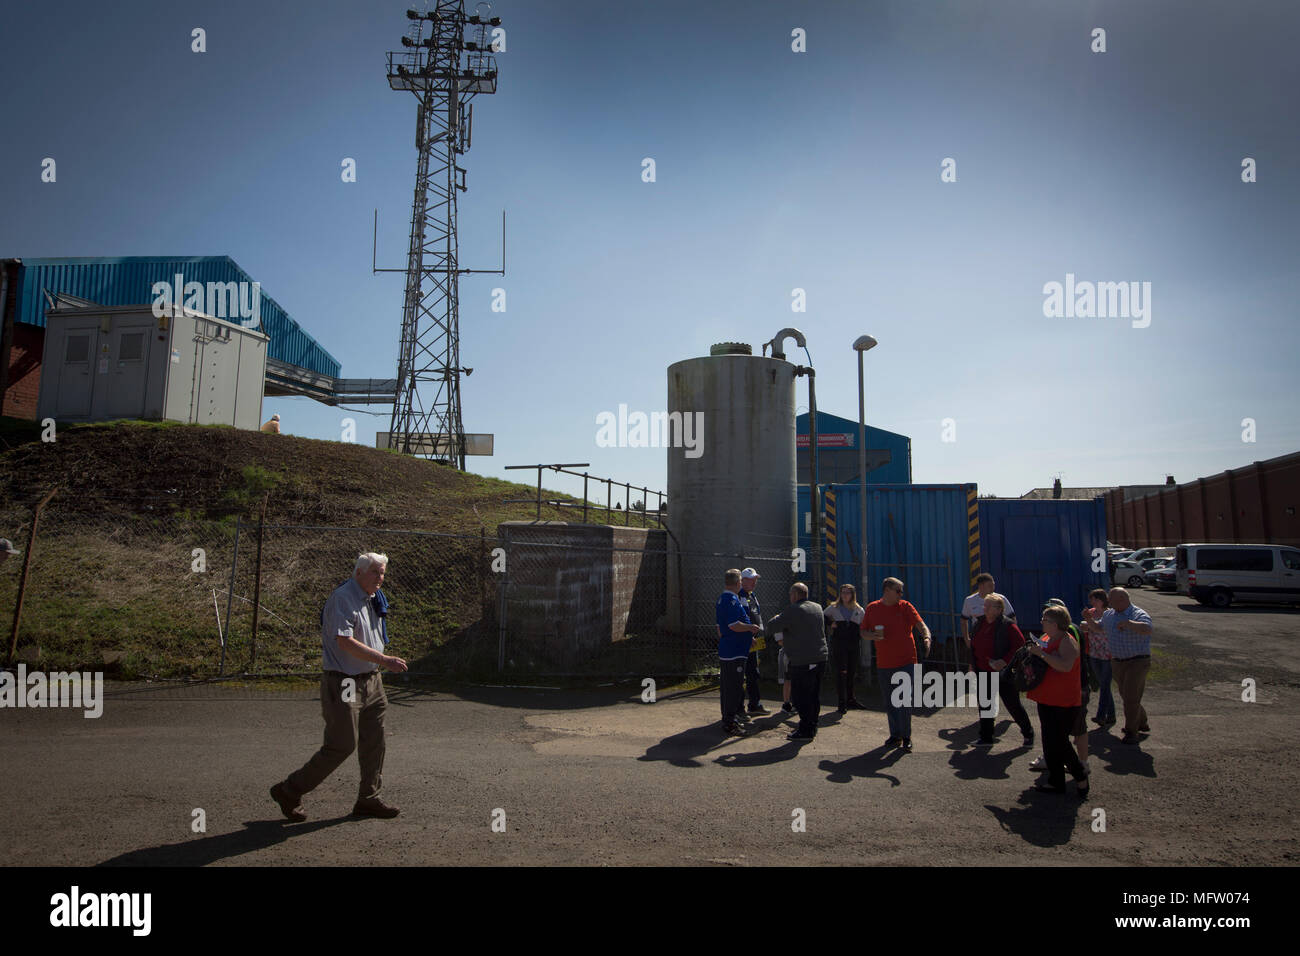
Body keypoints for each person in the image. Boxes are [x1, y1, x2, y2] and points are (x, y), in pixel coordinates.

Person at [270, 553, 408, 821]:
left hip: (372, 680)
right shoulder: (343, 598)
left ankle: (369, 798)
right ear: (358, 572)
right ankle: (289, 790)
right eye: (375, 573)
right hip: (345, 681)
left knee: (374, 742)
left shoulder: (373, 599)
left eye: (382, 573)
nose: (380, 579)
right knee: (341, 745)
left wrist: (378, 665)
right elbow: (344, 641)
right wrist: (384, 659)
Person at [862, 577, 931, 753]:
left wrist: (926, 636)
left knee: (904, 701)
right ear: (887, 591)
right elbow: (863, 631)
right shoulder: (873, 608)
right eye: (898, 591)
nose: (901, 594)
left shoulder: (905, 606)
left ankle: (906, 736)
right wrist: (872, 636)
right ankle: (895, 735)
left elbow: (920, 624)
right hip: (885, 662)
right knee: (890, 701)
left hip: (906, 661)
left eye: (901, 591)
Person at [1026, 605, 1090, 797]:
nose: (1041, 623)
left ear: (1055, 623)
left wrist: (1042, 654)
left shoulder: (1066, 641)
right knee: (1049, 741)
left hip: (1063, 700)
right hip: (1046, 697)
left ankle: (1080, 777)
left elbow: (1065, 665)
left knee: (1060, 742)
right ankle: (1056, 781)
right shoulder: (1047, 638)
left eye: (1045, 620)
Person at [762, 582, 828, 741]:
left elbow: (771, 626)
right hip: (820, 657)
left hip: (802, 659)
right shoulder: (817, 607)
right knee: (813, 694)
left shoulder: (793, 610)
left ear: (795, 595)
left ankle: (805, 729)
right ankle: (812, 724)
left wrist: (777, 617)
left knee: (800, 695)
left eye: (791, 594)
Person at [968, 594, 1034, 747]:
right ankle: (986, 737)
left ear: (998, 609)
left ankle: (1028, 733)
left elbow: (1020, 646)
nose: (984, 608)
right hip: (983, 670)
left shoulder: (1007, 625)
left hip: (1003, 673)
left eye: (987, 606)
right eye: (984, 605)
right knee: (985, 705)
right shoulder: (980, 622)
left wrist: (1004, 661)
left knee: (1012, 704)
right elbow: (974, 645)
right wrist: (972, 663)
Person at [1100, 587, 1154, 745]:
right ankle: (1141, 721)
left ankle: (1131, 732)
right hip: (1117, 661)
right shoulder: (1108, 614)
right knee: (1128, 695)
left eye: (1112, 600)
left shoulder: (1137, 614)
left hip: (1137, 661)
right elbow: (1098, 627)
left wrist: (1130, 624)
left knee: (1130, 697)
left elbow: (1147, 629)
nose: (1109, 603)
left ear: (1123, 600)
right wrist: (1088, 621)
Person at [715, 568, 762, 737]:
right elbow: (733, 624)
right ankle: (730, 722)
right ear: (737, 583)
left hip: (731, 649)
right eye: (741, 581)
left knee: (729, 687)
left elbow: (720, 628)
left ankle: (729, 718)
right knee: (733, 688)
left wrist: (748, 638)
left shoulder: (723, 599)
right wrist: (751, 628)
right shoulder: (732, 600)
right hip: (734, 652)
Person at [824, 584, 866, 713]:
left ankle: (851, 699)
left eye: (848, 593)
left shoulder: (859, 609)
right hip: (839, 644)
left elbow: (864, 625)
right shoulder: (834, 607)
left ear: (853, 595)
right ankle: (841, 702)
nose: (845, 595)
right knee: (841, 673)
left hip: (853, 644)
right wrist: (831, 623)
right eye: (843, 592)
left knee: (851, 672)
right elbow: (822, 616)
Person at [961, 573, 1015, 668]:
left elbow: (1012, 618)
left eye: (993, 585)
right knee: (975, 667)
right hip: (978, 641)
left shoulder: (1000, 599)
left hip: (997, 640)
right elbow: (963, 620)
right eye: (990, 586)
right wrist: (966, 639)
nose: (993, 588)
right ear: (981, 586)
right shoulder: (969, 601)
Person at [1079, 589, 1116, 727]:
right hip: (1094, 652)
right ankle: (1111, 715)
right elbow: (1084, 627)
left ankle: (1101, 715)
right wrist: (1088, 623)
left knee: (1105, 685)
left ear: (1101, 599)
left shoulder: (1109, 613)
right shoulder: (1092, 612)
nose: (1091, 602)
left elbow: (1100, 628)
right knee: (1103, 685)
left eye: (1093, 599)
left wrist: (1089, 622)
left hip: (1108, 654)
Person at [738, 569, 769, 716]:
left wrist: (760, 635)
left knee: (753, 673)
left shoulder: (752, 596)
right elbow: (741, 619)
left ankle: (754, 704)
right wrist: (747, 637)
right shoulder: (739, 596)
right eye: (751, 579)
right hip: (745, 642)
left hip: (754, 641)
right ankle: (738, 708)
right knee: (741, 673)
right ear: (742, 580)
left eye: (755, 579)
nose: (754, 582)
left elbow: (757, 616)